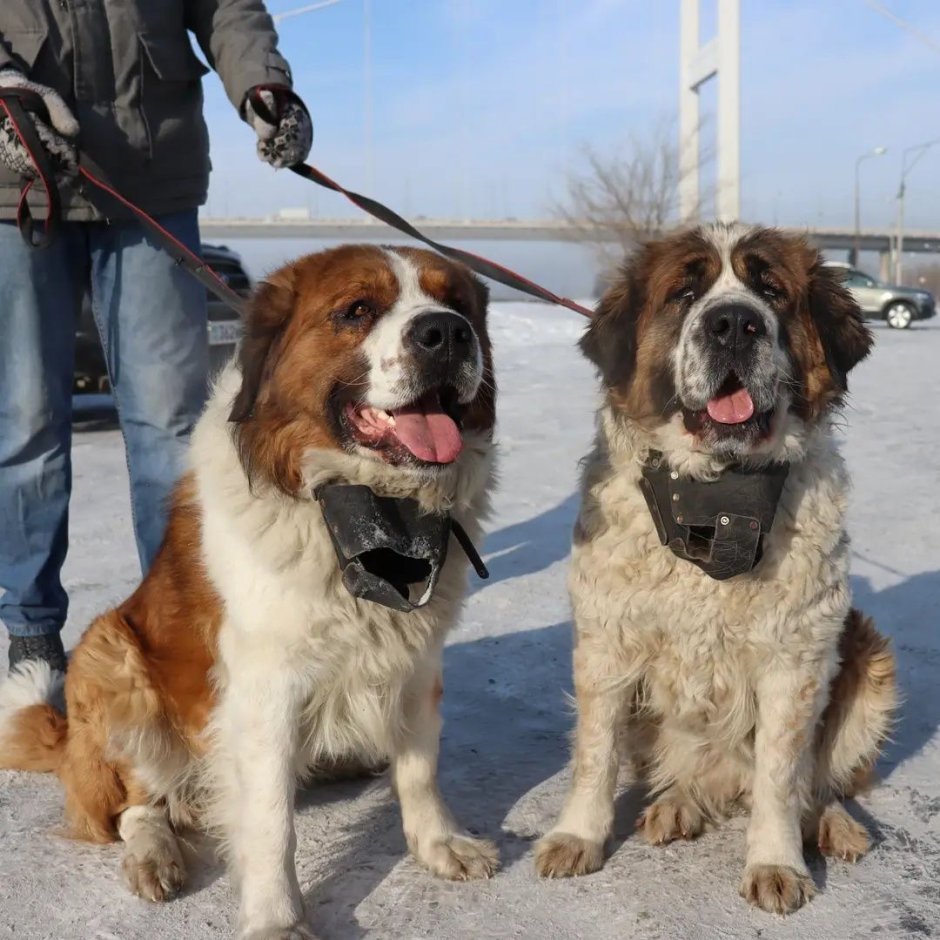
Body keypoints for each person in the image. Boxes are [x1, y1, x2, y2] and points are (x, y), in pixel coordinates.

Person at [0, 2, 313, 675]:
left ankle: (182, 624)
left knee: (172, 423)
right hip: (17, 174)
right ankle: (29, 630)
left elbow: (225, 6)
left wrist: (266, 85)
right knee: (24, 418)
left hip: (152, 172)